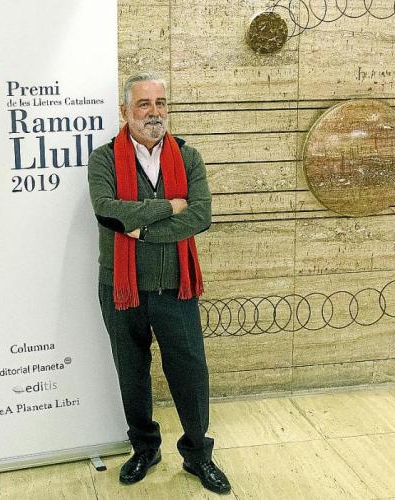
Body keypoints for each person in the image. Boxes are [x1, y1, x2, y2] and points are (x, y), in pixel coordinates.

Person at [87, 72, 231, 494]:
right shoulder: (103, 159)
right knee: (132, 372)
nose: (155, 112)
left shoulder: (188, 157)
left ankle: (198, 455)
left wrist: (143, 229)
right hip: (121, 287)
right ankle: (145, 449)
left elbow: (200, 216)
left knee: (190, 372)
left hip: (175, 285)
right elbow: (107, 211)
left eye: (160, 103)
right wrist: (169, 206)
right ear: (125, 111)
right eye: (144, 104)